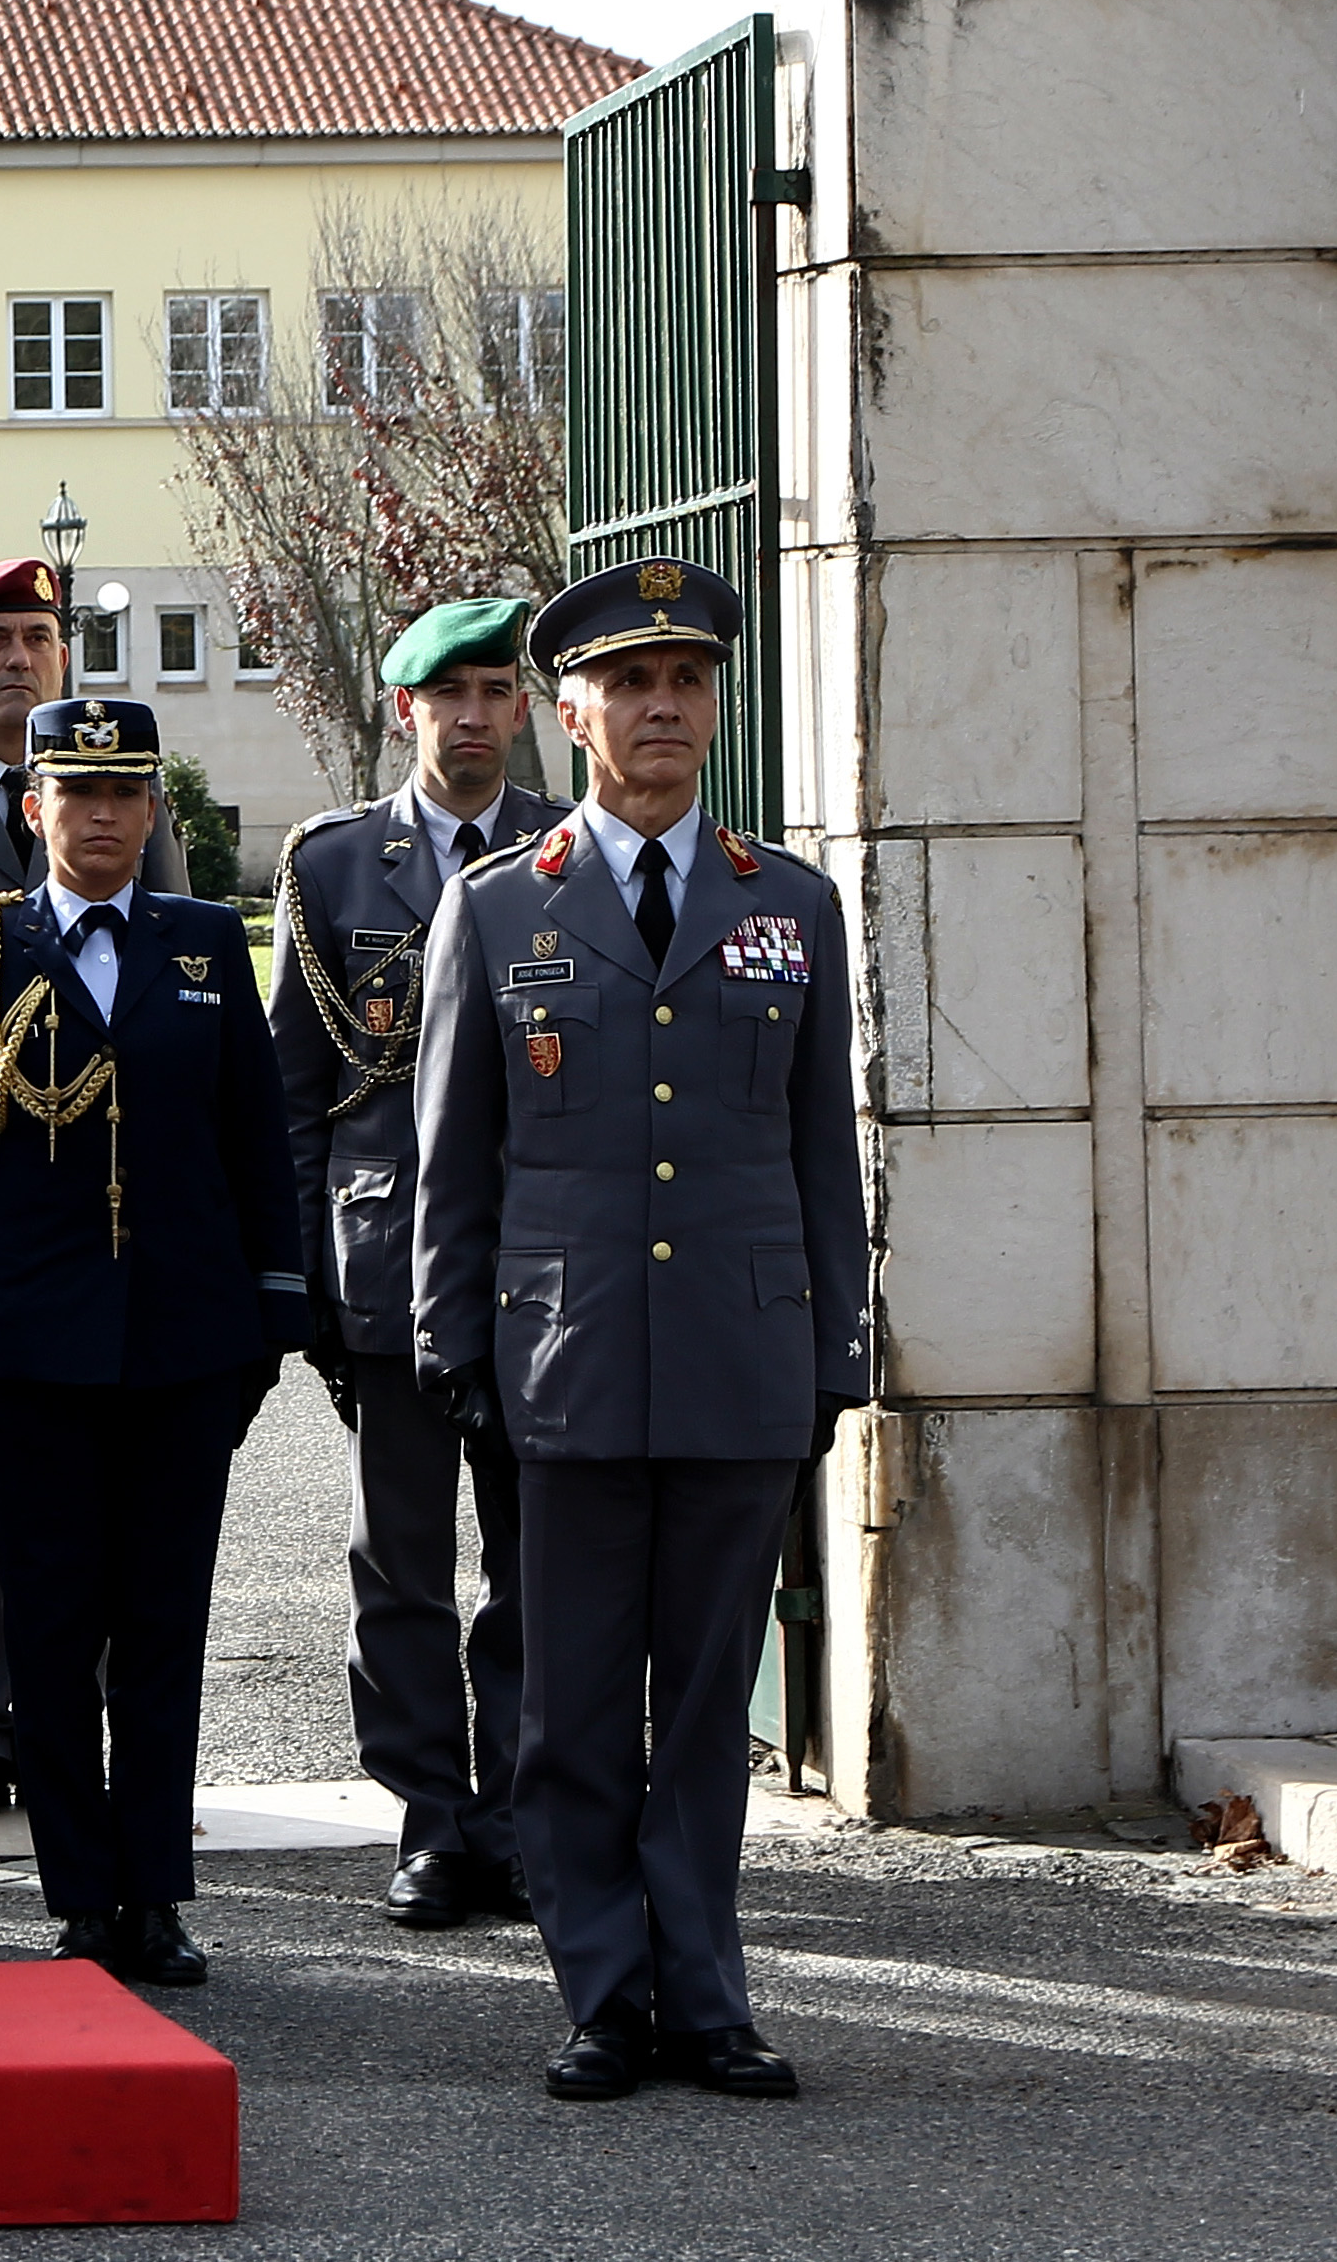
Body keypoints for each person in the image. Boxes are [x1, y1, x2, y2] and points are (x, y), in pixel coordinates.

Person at [411, 558, 869, 2105]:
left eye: (685, 682)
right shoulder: (494, 909)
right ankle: (602, 1992)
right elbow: (450, 1158)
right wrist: (449, 1343)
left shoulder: (786, 905)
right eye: (627, 684)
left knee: (706, 1711)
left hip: (741, 1358)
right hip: (569, 1360)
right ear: (571, 712)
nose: (661, 706)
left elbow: (819, 1154)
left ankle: (708, 1992)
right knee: (575, 1706)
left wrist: (833, 1351)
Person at [0, 698, 308, 1991]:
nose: (98, 815)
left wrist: (271, 1313)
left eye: (122, 793)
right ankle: (77, 1894)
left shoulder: (197, 943)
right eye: (72, 792)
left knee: (158, 1628)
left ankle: (153, 1891)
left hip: (183, 1346)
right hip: (31, 1352)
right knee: (46, 1630)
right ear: (32, 808)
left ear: (151, 810)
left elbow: (254, 1138)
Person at [266, 598, 564, 1933]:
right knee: (397, 1564)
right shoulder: (331, 867)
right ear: (402, 712)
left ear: (521, 708)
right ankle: (430, 1821)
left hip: (533, 1270)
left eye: (493, 691)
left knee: (531, 1559)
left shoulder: (566, 855)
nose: (469, 717)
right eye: (443, 696)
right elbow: (291, 1093)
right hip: (384, 1266)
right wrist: (304, 1286)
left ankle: (514, 1808)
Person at [0, 557, 186, 1830]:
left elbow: (176, 979)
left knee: (108, 1479)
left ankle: (95, 1712)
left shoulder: (120, 793)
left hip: (97, 1194)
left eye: (38, 637)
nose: (19, 659)